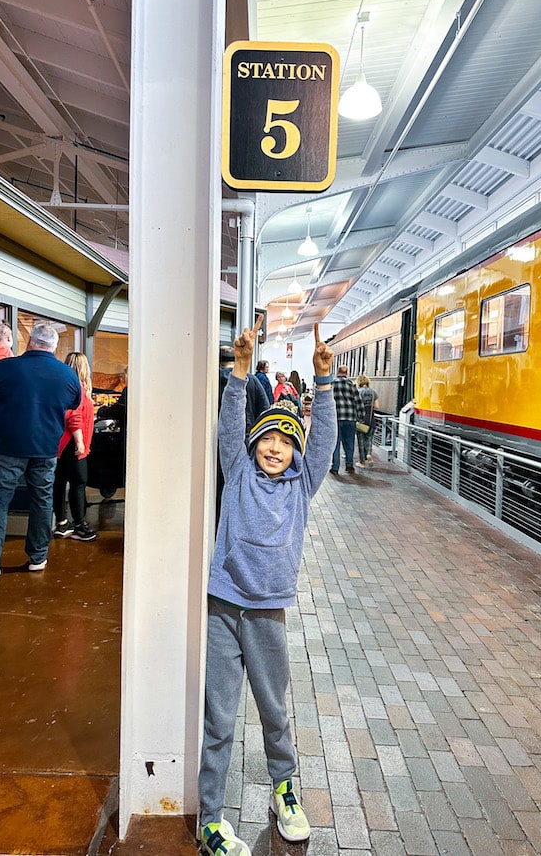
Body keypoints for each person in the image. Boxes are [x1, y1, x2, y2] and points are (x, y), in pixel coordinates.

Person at [199, 319, 337, 856]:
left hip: (267, 616)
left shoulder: (302, 485)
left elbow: (322, 443)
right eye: (268, 439)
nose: (275, 447)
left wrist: (322, 384)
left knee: (274, 711)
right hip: (222, 611)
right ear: (254, 444)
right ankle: (210, 819)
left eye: (286, 440)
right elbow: (230, 426)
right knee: (219, 715)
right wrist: (237, 373)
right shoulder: (236, 469)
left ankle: (285, 790)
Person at [0, 322, 81, 579]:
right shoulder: (67, 375)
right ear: (54, 346)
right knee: (42, 500)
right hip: (47, 449)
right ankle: (38, 557)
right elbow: (74, 402)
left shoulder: (5, 367)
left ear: (29, 342)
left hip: (8, 447)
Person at [216, 345, 270, 528]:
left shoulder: (210, 379)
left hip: (215, 447)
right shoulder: (253, 381)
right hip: (245, 449)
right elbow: (265, 413)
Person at [52, 353, 98, 542]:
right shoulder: (76, 388)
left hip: (60, 444)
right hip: (72, 443)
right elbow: (74, 416)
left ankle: (62, 523)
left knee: (60, 482)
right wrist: (80, 442)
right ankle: (80, 525)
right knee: (79, 482)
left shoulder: (63, 387)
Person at [330, 365, 363, 476]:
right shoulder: (352, 385)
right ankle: (349, 465)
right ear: (347, 373)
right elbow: (358, 402)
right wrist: (361, 416)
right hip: (350, 418)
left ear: (337, 372)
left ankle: (335, 468)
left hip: (335, 418)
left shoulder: (332, 384)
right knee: (349, 443)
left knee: (336, 444)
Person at [356, 374, 379, 467]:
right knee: (369, 439)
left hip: (361, 419)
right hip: (371, 419)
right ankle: (368, 453)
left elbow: (355, 406)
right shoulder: (373, 392)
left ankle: (362, 462)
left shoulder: (358, 392)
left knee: (361, 441)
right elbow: (377, 406)